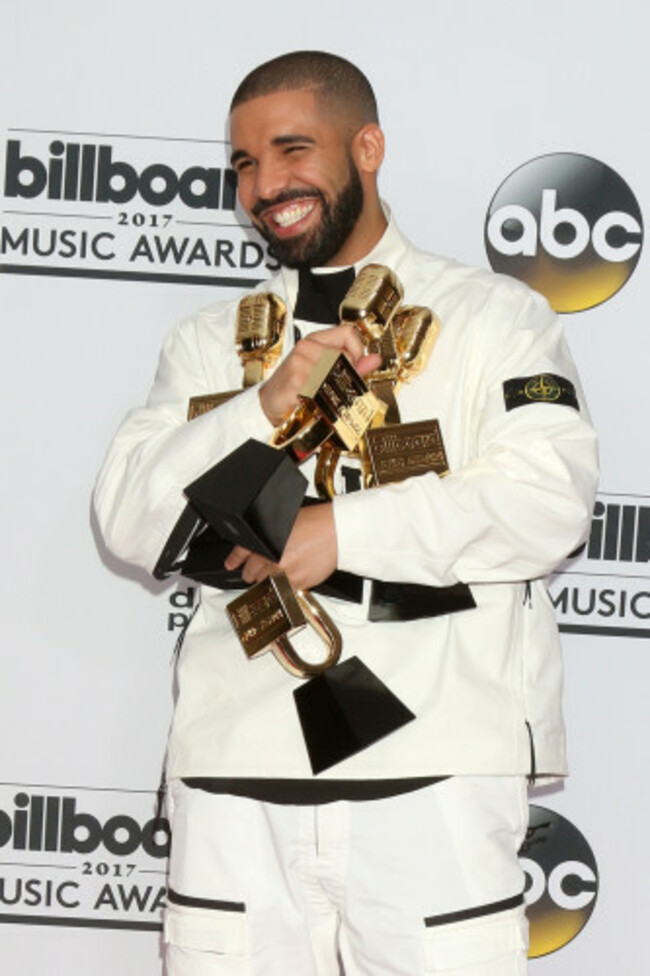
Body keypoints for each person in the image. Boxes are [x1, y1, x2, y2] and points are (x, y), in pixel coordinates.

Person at [94, 51, 598, 976]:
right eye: (244, 162)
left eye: (292, 150)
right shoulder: (210, 343)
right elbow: (127, 521)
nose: (265, 185)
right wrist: (263, 406)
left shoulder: (496, 319)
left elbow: (548, 498)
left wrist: (341, 534)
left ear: (366, 147)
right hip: (234, 775)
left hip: (434, 772)